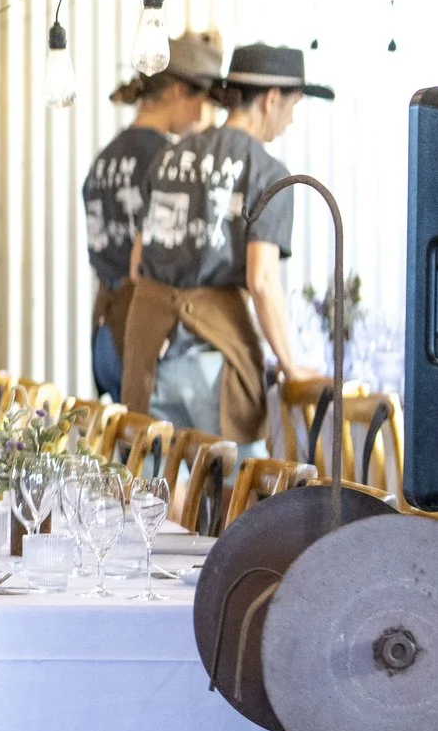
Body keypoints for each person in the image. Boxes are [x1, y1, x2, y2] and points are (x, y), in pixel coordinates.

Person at [122, 43, 326, 450]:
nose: (290, 120)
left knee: (151, 495)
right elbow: (262, 281)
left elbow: (136, 265)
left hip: (148, 354)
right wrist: (290, 365)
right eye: (292, 106)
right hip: (216, 359)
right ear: (271, 100)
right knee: (237, 493)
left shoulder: (167, 157)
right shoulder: (268, 174)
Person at [81, 31, 221, 400]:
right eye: (201, 101)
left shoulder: (104, 159)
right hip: (146, 339)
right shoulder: (169, 162)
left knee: (126, 452)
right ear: (177, 92)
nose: (202, 114)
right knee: (169, 455)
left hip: (104, 336)